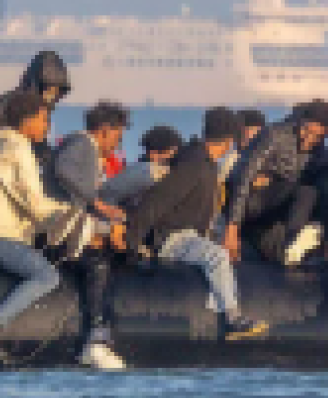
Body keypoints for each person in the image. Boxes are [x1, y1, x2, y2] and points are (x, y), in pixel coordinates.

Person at [113, 107, 267, 340]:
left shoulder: (203, 161)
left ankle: (222, 307)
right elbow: (158, 200)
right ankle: (233, 319)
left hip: (191, 236)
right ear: (228, 141)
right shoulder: (194, 163)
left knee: (222, 253)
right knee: (216, 255)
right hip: (172, 238)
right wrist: (132, 244)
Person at [0, 92, 91, 366]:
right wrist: (70, 213)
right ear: (27, 120)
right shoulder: (18, 149)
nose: (46, 127)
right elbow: (33, 203)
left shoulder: (0, 144)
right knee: (47, 277)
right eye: (44, 120)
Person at [48, 100, 132, 369]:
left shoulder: (86, 149)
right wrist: (95, 203)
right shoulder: (82, 144)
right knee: (98, 264)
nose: (116, 146)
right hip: (63, 232)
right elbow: (62, 170)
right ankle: (96, 339)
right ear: (105, 130)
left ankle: (98, 337)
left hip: (72, 227)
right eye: (117, 138)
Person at [222, 99, 328, 266]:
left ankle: (297, 246)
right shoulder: (275, 135)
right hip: (252, 204)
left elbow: (324, 195)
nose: (308, 138)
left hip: (278, 215)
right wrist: (232, 229)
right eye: (306, 130)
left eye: (317, 136)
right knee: (304, 190)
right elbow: (243, 177)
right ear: (300, 121)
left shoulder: (322, 154)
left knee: (318, 188)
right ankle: (291, 245)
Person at [0, 50, 70, 175]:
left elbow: (40, 147)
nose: (51, 96)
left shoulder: (39, 112)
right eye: (49, 89)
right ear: (36, 83)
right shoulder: (5, 105)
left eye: (56, 92)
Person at [98, 125, 183, 209]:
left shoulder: (147, 169)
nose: (152, 156)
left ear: (173, 150)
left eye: (158, 150)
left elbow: (105, 192)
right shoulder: (181, 175)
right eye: (148, 149)